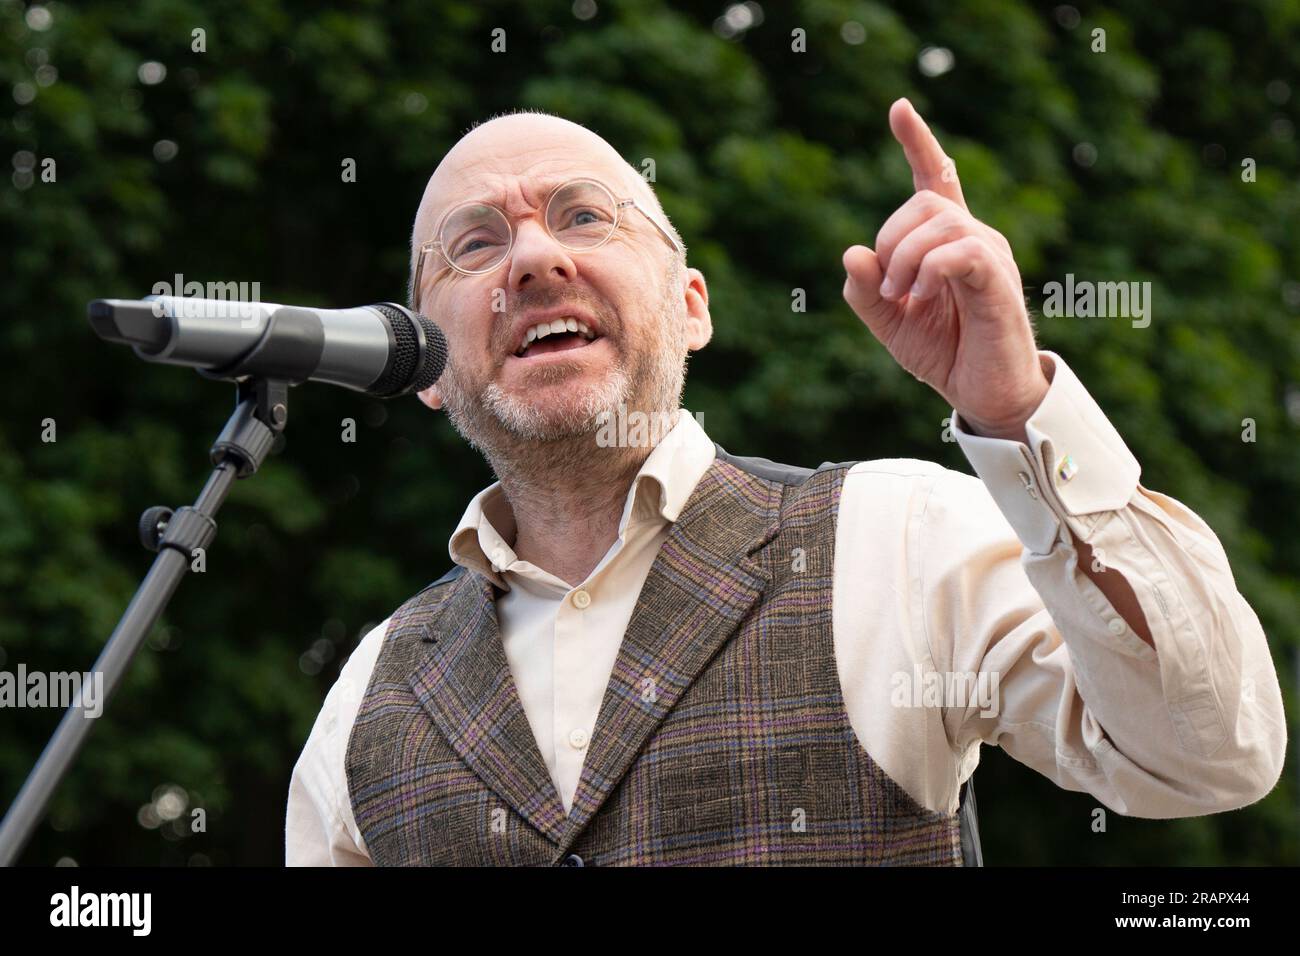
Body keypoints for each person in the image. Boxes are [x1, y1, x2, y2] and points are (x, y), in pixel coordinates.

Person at [285, 102, 1286, 866]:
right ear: (425, 367)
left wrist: (1019, 408)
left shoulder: (897, 533)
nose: (536, 256)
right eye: (474, 243)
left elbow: (1208, 751)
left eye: (583, 216)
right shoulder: (370, 695)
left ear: (690, 309)